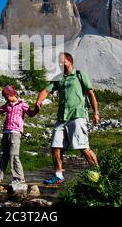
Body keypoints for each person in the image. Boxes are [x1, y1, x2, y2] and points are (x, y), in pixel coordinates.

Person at [36, 52, 100, 185]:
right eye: (59, 62)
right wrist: (39, 101)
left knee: (83, 147)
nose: (60, 64)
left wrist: (96, 113)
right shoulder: (58, 78)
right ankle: (58, 175)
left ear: (70, 61)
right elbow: (46, 91)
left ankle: (98, 174)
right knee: (55, 146)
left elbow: (90, 94)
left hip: (77, 116)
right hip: (61, 118)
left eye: (62, 61)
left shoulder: (79, 75)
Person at [0, 85, 39, 184]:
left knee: (14, 155)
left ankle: (19, 178)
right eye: (4, 97)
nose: (5, 98)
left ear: (13, 94)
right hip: (6, 132)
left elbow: (31, 114)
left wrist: (37, 109)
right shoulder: (6, 106)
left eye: (6, 96)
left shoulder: (22, 105)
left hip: (16, 133)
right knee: (2, 155)